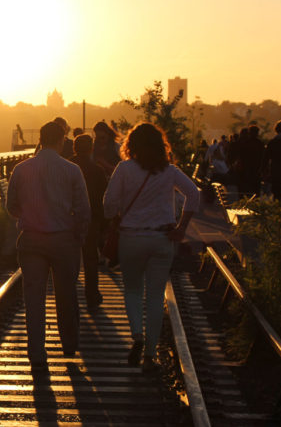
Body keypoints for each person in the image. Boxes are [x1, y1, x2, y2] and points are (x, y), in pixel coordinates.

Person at [103, 123, 200, 373]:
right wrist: (182, 228)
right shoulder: (170, 171)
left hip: (131, 238)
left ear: (131, 144)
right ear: (160, 144)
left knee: (133, 290)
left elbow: (109, 203)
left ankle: (137, 334)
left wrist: (113, 213)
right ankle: (150, 354)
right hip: (162, 238)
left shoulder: (124, 169)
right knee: (156, 296)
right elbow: (194, 194)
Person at [7, 121, 91, 374]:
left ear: (41, 139)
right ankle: (68, 345)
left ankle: (37, 353)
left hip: (31, 239)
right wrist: (80, 236)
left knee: (34, 298)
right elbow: (84, 209)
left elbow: (12, 206)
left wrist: (29, 216)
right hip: (64, 239)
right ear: (62, 140)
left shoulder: (20, 170)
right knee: (66, 293)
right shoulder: (72, 170)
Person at [71, 134, 107, 312]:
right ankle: (92, 295)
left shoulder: (66, 167)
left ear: (74, 148)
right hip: (92, 219)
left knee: (69, 259)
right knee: (90, 258)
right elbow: (102, 198)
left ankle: (69, 296)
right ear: (91, 148)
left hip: (68, 219)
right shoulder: (97, 170)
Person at [263, 120, 281, 201]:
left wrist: (264, 170)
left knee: (276, 191)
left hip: (276, 168)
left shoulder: (273, 142)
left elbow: (266, 157)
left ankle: (277, 207)